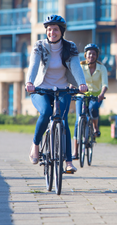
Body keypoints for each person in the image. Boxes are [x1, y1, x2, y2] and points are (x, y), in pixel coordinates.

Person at [25, 14, 87, 173]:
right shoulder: (39, 46)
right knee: (45, 112)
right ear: (46, 31)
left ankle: (68, 161)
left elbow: (76, 66)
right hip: (41, 89)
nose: (52, 32)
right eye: (49, 29)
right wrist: (29, 82)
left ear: (62, 31)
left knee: (63, 121)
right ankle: (36, 145)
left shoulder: (70, 46)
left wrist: (81, 83)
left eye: (56, 29)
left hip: (62, 89)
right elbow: (33, 64)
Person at [72, 43, 108, 159]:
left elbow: (105, 84)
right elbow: (74, 80)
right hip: (81, 95)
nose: (91, 56)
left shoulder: (101, 68)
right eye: (89, 54)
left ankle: (95, 127)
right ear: (85, 55)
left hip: (96, 96)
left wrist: (102, 94)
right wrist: (72, 88)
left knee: (93, 108)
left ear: (97, 55)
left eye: (93, 54)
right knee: (78, 120)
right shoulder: (81, 67)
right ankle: (75, 151)